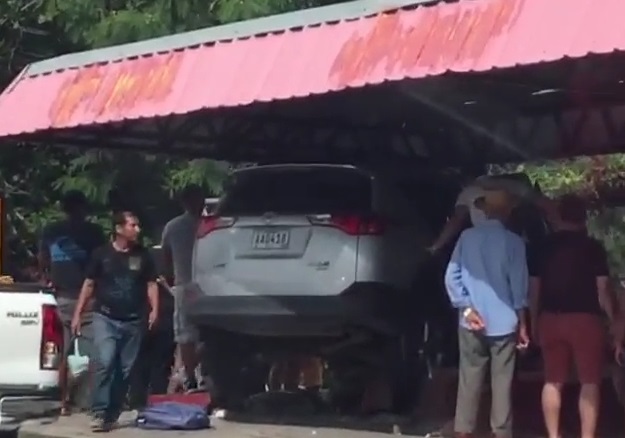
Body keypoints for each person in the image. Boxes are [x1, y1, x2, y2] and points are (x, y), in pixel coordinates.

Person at [528, 194, 617, 438]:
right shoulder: (593, 248)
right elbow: (603, 292)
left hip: (550, 318)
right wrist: (614, 320)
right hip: (585, 320)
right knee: (589, 382)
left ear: (559, 215)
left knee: (552, 380)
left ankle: (553, 435)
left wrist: (533, 320)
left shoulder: (542, 247)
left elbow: (534, 290)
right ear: (584, 216)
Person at [444, 189, 529, 438]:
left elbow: (451, 275)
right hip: (504, 321)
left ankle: (464, 431)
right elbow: (518, 287)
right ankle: (500, 432)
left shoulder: (467, 238)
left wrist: (466, 307)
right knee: (502, 381)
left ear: (485, 211)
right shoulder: (514, 243)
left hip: (471, 319)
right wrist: (523, 324)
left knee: (469, 377)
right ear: (508, 213)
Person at [71, 211, 159, 432]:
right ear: (119, 229)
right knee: (105, 360)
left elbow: (151, 284)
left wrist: (155, 310)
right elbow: (89, 284)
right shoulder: (101, 254)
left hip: (133, 320)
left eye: (138, 225)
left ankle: (112, 414)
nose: (137, 230)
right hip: (105, 316)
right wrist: (78, 314)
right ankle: (99, 411)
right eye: (133, 225)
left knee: (125, 370)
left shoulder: (143, 255)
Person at [37, 190, 106, 415]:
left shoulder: (51, 231)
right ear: (83, 208)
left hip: (60, 297)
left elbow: (43, 260)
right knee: (98, 352)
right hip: (86, 298)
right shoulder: (93, 232)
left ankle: (64, 402)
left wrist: (48, 278)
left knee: (63, 353)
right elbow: (103, 262)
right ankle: (92, 401)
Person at [429, 175, 548, 254]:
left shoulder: (469, 192)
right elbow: (541, 203)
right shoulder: (514, 186)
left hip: (490, 245)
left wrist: (436, 246)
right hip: (519, 242)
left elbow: (455, 221)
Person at [161, 185, 205, 390]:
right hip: (206, 285)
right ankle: (196, 375)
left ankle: (190, 376)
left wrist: (171, 280)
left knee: (185, 335)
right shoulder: (208, 225)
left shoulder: (172, 226)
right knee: (202, 333)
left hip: (184, 285)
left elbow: (165, 259)